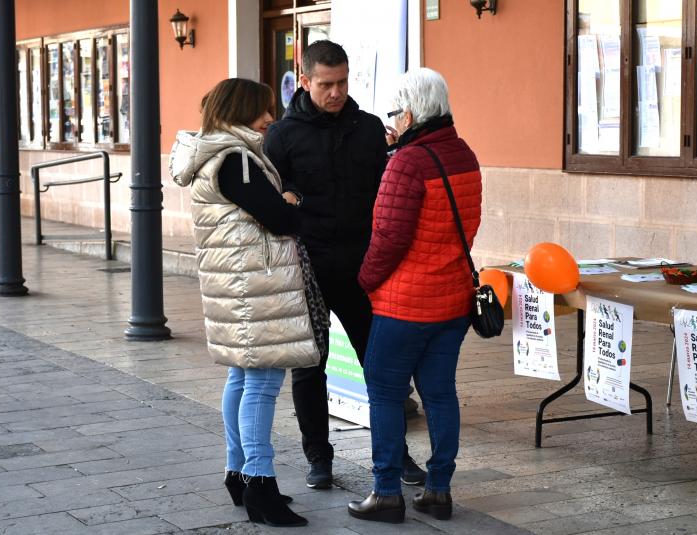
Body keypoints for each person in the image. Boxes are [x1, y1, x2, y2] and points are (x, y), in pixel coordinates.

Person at [264, 39, 427, 490]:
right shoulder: (282, 136)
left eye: (342, 82)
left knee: (382, 367)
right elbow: (272, 205)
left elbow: (387, 197)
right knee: (309, 366)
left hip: (363, 269)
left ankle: (397, 455)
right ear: (305, 81)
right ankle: (319, 456)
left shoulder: (370, 129)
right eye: (325, 85)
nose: (335, 92)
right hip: (308, 271)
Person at [169, 78, 324, 528]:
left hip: (239, 287)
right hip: (256, 289)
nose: (270, 119)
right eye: (262, 111)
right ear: (239, 111)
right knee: (262, 383)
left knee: (243, 378)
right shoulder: (235, 160)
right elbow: (279, 218)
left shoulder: (212, 154)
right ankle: (260, 484)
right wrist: (292, 201)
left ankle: (238, 472)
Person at [347, 68, 482, 524]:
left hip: (405, 304)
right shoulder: (464, 155)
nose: (391, 122)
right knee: (440, 393)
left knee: (384, 392)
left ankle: (386, 491)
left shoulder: (406, 162)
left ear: (408, 112)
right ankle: (438, 488)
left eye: (393, 113)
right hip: (452, 300)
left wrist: (364, 281)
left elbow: (387, 238)